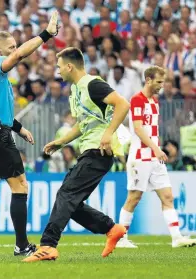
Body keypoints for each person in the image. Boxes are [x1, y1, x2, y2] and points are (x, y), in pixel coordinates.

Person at [0, 11, 59, 256]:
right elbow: (20, 55)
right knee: (20, 187)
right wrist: (46, 34)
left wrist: (19, 128)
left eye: (16, 46)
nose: (16, 50)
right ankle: (21, 245)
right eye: (11, 47)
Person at [23, 47, 130, 263]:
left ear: (70, 66)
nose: (58, 70)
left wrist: (108, 134)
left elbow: (123, 104)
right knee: (70, 201)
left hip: (99, 151)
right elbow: (84, 123)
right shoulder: (77, 90)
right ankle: (111, 228)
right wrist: (61, 142)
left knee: (66, 196)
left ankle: (48, 245)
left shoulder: (93, 84)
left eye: (59, 66)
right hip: (90, 151)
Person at [116, 66, 196, 249]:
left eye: (163, 82)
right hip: (140, 157)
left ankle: (176, 238)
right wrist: (156, 149)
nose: (161, 86)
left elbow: (152, 131)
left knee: (167, 196)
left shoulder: (154, 101)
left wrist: (157, 148)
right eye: (159, 82)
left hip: (154, 157)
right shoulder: (137, 100)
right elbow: (138, 128)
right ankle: (121, 238)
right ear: (148, 80)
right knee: (134, 198)